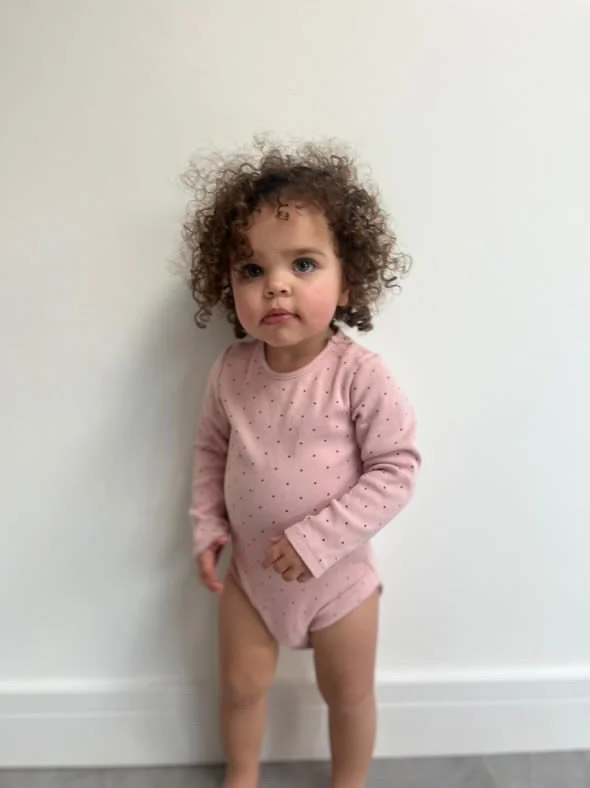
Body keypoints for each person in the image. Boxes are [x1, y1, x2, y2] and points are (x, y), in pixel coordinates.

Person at [183, 141, 421, 788]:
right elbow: (209, 451)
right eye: (251, 271)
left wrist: (318, 538)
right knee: (239, 687)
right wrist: (208, 525)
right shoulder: (231, 372)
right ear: (226, 284)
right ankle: (241, 775)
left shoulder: (358, 376)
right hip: (252, 576)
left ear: (347, 280)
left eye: (304, 263)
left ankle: (349, 782)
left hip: (339, 581)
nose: (276, 285)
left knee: (347, 695)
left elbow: (396, 469)